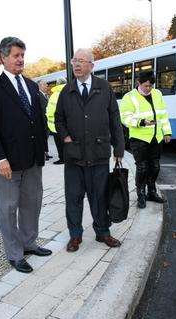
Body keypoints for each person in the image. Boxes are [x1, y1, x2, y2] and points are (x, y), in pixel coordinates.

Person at [0, 37, 52, 273]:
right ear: (3, 58)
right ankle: (14, 253)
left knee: (32, 204)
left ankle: (29, 243)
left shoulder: (31, 85)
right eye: (16, 55)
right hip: (8, 164)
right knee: (8, 209)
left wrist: (43, 149)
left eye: (23, 55)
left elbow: (38, 120)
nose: (21, 59)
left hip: (32, 160)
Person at [55, 48, 124, 252]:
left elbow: (115, 119)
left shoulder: (104, 88)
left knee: (100, 197)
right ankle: (75, 235)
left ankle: (103, 232)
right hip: (74, 157)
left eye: (81, 61)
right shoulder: (66, 91)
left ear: (92, 66)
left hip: (99, 155)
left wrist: (119, 147)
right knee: (73, 199)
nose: (76, 64)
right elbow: (58, 119)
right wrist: (66, 137)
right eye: (74, 60)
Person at [120, 71, 171, 209]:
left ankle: (152, 193)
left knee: (155, 167)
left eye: (151, 86)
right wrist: (141, 122)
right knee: (142, 168)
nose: (149, 89)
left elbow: (163, 115)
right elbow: (124, 118)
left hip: (156, 137)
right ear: (139, 83)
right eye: (146, 86)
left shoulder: (157, 94)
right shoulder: (129, 97)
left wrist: (167, 132)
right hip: (139, 138)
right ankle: (141, 195)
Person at [46, 78, 66, 165]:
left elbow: (50, 110)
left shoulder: (55, 95)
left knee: (59, 143)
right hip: (67, 123)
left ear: (57, 84)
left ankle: (62, 158)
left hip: (55, 124)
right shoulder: (70, 91)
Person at [37, 79, 53, 160]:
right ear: (40, 86)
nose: (47, 86)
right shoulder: (38, 95)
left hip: (47, 122)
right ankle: (43, 154)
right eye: (45, 84)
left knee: (45, 138)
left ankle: (46, 153)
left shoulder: (45, 95)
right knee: (43, 139)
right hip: (42, 122)